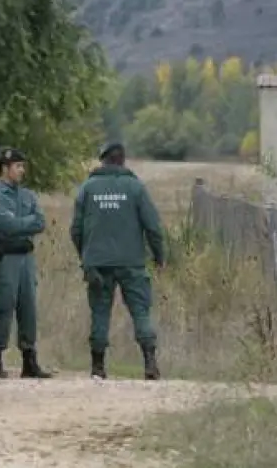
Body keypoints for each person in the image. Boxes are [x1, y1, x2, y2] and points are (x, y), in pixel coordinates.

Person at [70, 142, 165, 381]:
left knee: (100, 312)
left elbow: (76, 229)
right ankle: (150, 363)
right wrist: (159, 256)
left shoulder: (87, 188)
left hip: (98, 262)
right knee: (140, 311)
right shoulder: (136, 187)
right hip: (132, 262)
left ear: (103, 161)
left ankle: (97, 366)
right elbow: (153, 226)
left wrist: (85, 256)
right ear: (122, 160)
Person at [0, 147, 51, 379]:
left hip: (26, 257)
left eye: (23, 166)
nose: (22, 170)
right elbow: (6, 225)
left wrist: (20, 223)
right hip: (6, 258)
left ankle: (29, 360)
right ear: (5, 168)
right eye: (18, 166)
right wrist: (25, 223)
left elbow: (40, 222)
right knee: (3, 307)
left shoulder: (28, 195)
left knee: (28, 307)